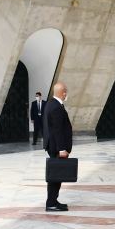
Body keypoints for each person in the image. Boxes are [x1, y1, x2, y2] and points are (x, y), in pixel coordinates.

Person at [43, 81, 72, 212]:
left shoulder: (51, 104)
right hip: (57, 148)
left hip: (53, 146)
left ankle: (53, 200)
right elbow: (57, 130)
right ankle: (51, 203)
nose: (67, 94)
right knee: (55, 176)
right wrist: (62, 149)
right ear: (63, 93)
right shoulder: (56, 107)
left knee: (56, 175)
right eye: (66, 92)